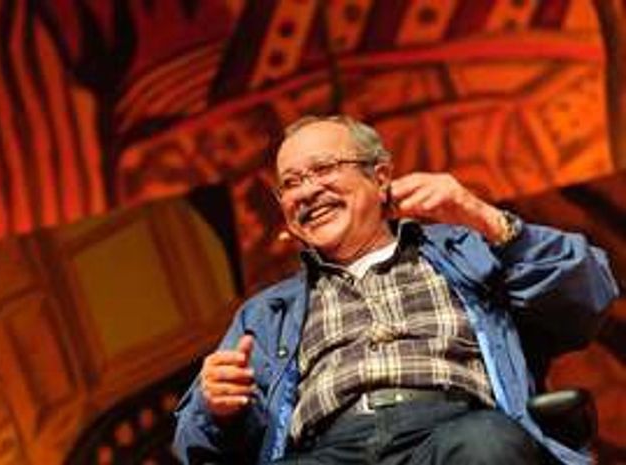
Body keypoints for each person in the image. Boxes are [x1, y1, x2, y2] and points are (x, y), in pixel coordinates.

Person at [173, 115, 618, 465]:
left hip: (454, 426)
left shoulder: (464, 250)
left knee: (489, 445)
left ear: (380, 176)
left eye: (323, 169)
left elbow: (587, 293)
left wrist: (482, 216)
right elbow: (194, 443)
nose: (306, 191)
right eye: (290, 183)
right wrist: (218, 410)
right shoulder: (267, 312)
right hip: (325, 449)